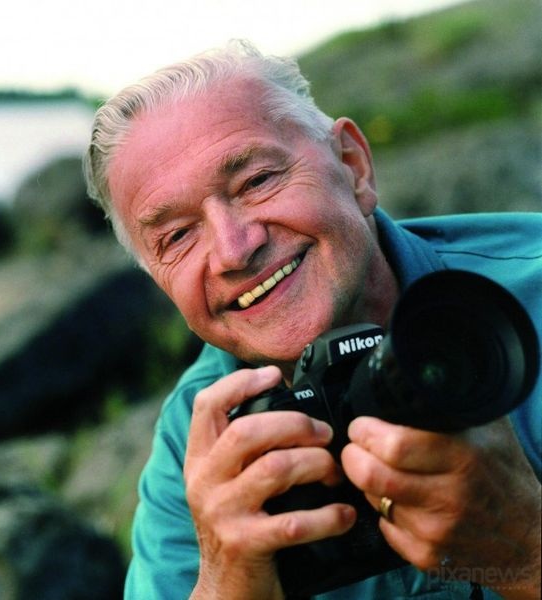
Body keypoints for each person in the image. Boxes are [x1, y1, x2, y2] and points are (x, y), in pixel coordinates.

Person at [84, 40, 541, 600]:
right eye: (177, 235)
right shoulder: (198, 436)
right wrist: (229, 578)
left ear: (353, 166)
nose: (233, 250)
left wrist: (526, 549)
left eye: (257, 181)